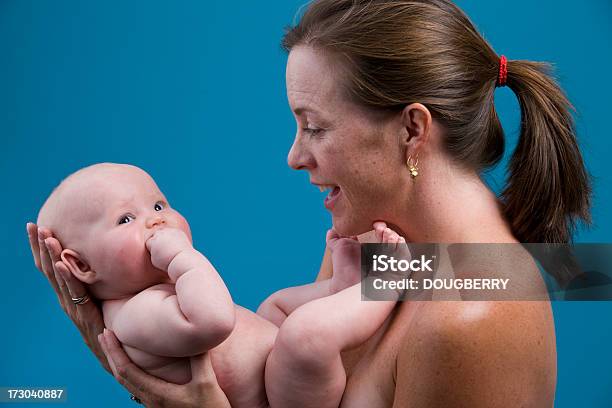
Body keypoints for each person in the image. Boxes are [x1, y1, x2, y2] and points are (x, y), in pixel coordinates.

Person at [28, 0, 591, 406]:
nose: (294, 157)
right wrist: (143, 359)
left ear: (413, 130)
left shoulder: (474, 318)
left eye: (313, 127)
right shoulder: (376, 244)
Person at [33, 162, 405, 407]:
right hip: (283, 395)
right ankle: (378, 289)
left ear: (413, 128)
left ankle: (360, 288)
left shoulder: (456, 290)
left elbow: (455, 277)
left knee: (279, 312)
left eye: (159, 206)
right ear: (81, 265)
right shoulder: (133, 314)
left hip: (278, 377)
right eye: (126, 219)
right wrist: (181, 256)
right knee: (300, 330)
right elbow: (216, 320)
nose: (296, 155)